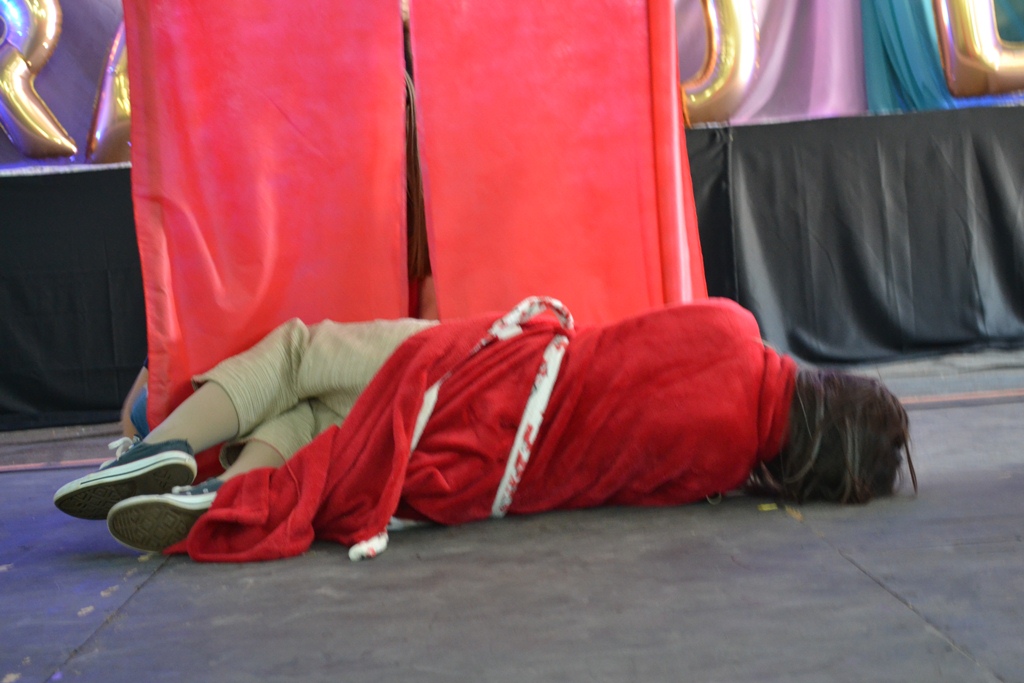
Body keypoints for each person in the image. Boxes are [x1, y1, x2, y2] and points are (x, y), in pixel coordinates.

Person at [53, 296, 915, 562]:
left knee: (301, 357)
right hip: (486, 472)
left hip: (483, 371)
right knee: (321, 425)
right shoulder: (723, 468)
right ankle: (223, 495)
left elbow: (614, 343)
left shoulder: (732, 327)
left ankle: (157, 450)